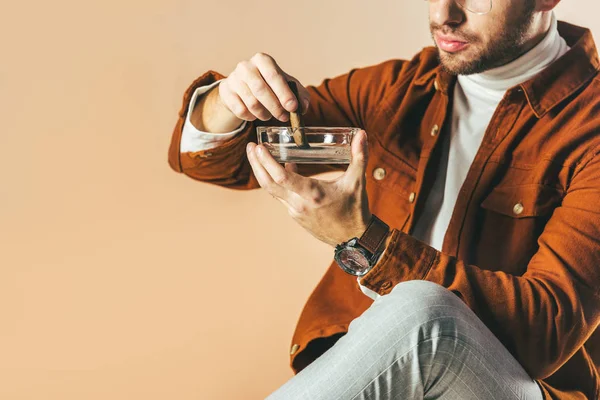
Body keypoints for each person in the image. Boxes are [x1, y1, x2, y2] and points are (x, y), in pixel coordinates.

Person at [167, 0, 599, 398]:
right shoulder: (398, 90)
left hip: (514, 385)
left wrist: (363, 241)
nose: (444, 14)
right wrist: (229, 100)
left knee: (425, 312)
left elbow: (547, 329)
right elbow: (221, 164)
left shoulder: (591, 128)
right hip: (387, 382)